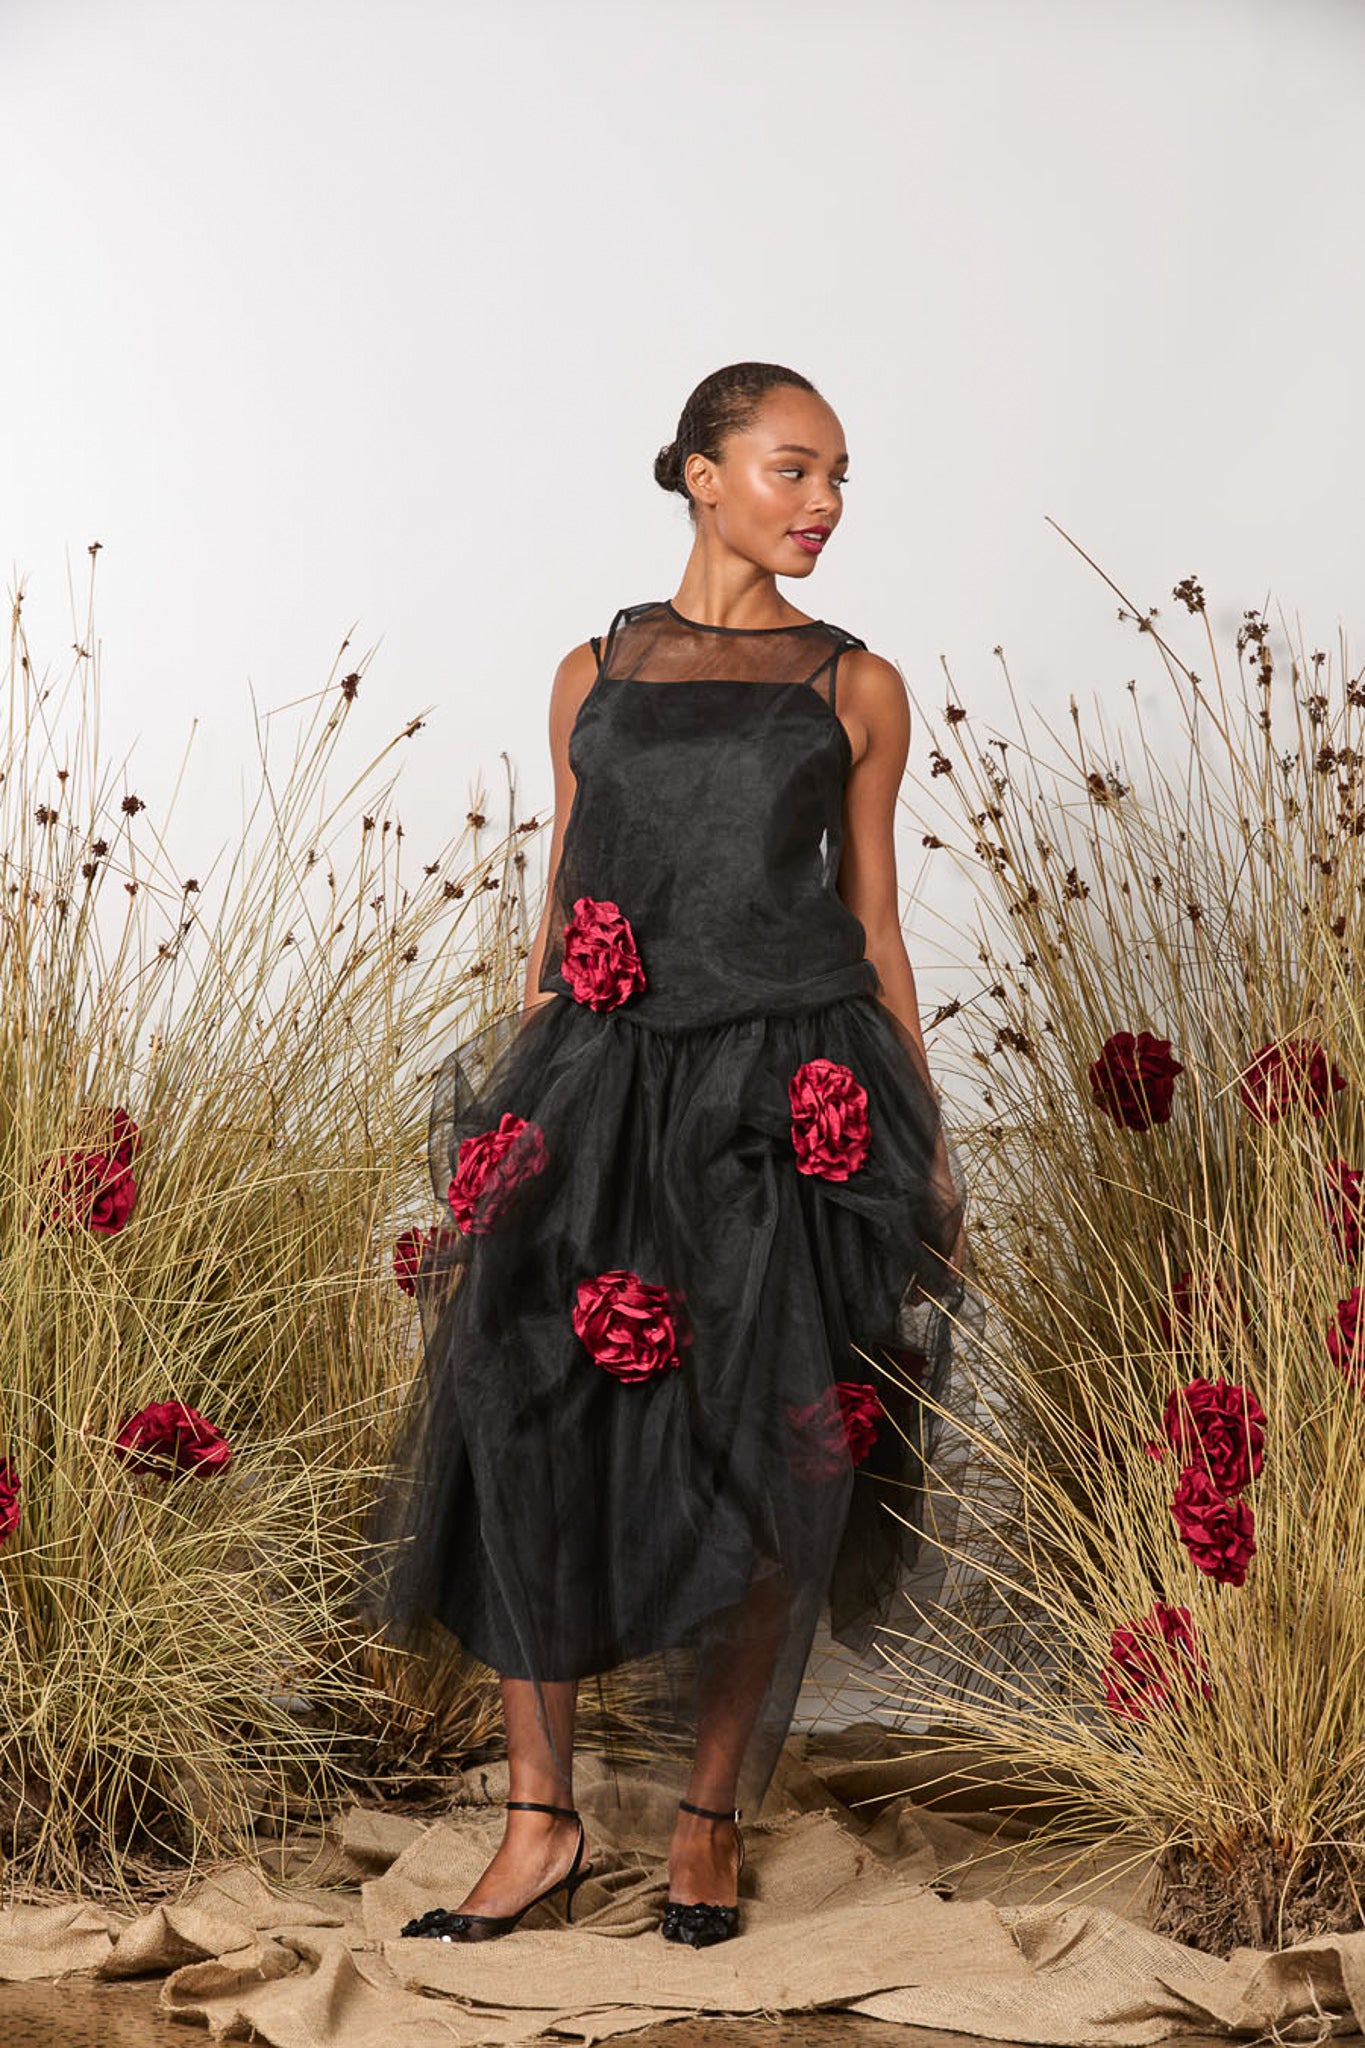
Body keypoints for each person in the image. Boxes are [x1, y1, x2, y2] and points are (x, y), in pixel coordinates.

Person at [359, 360, 968, 1950]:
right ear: (702, 473)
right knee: (519, 1412)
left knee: (773, 1439)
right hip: (599, 1078)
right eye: (792, 467)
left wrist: (924, 1139)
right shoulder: (593, 668)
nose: (824, 501)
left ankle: (706, 1822)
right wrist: (527, 1090)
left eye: (839, 477)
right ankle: (538, 1822)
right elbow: (567, 890)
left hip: (783, 1092)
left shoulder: (854, 683)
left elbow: (873, 922)